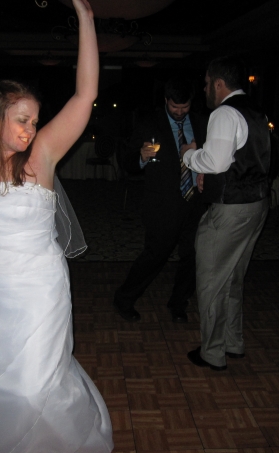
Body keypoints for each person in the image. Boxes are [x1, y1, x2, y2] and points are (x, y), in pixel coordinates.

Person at [0, 0, 113, 451]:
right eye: (22, 120)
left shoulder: (41, 156)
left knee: (34, 386)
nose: (31, 129)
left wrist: (85, 18)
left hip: (39, 290)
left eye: (34, 121)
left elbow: (85, 94)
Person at [180, 56, 271, 371]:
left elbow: (216, 162)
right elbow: (248, 159)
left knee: (211, 281)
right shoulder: (257, 111)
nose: (205, 88)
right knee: (233, 278)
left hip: (231, 210)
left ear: (219, 84)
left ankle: (213, 353)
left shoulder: (224, 112)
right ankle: (233, 343)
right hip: (257, 204)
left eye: (207, 83)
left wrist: (189, 156)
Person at [113, 78, 207, 323]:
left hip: (194, 201)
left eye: (184, 107)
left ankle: (179, 303)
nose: (180, 112)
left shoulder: (201, 123)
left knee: (193, 255)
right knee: (156, 255)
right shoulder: (149, 123)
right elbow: (127, 161)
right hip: (162, 204)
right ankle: (124, 298)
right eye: (175, 107)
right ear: (166, 101)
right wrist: (141, 157)